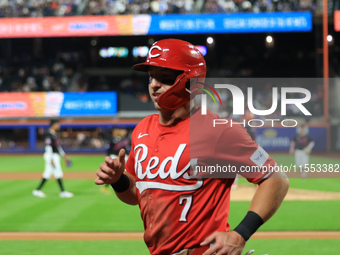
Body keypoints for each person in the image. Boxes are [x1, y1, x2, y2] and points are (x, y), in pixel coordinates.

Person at [95, 39, 289, 255]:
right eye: (151, 76)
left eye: (165, 78)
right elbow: (135, 195)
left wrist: (240, 234)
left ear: (192, 83)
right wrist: (118, 180)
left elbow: (276, 180)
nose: (154, 85)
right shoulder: (143, 129)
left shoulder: (219, 131)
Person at [33, 119, 74, 198]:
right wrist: (51, 159)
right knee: (57, 173)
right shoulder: (49, 135)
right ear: (53, 125)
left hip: (53, 156)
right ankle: (63, 192)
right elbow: (48, 147)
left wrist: (64, 156)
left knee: (48, 174)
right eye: (57, 124)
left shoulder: (54, 134)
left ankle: (37, 190)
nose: (59, 126)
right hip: (51, 156)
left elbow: (57, 146)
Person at [100, 127, 131, 194]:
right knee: (113, 172)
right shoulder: (112, 140)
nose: (123, 132)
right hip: (114, 157)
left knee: (126, 171)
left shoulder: (125, 140)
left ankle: (127, 186)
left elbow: (126, 150)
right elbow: (109, 151)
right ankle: (105, 187)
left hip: (122, 157)